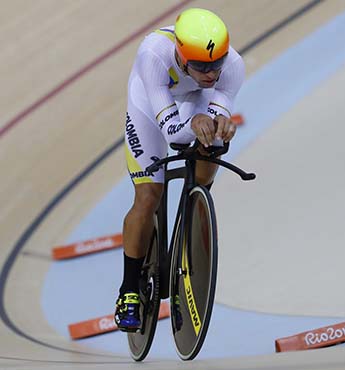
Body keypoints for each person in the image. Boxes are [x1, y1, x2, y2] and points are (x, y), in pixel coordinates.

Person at [115, 7, 245, 331]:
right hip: (151, 103)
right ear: (181, 55)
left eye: (216, 64)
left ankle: (192, 211)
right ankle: (128, 289)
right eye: (201, 65)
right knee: (148, 196)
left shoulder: (233, 66)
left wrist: (219, 128)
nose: (212, 73)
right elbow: (172, 132)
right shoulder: (154, 55)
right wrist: (198, 123)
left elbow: (215, 117)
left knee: (211, 145)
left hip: (193, 100)